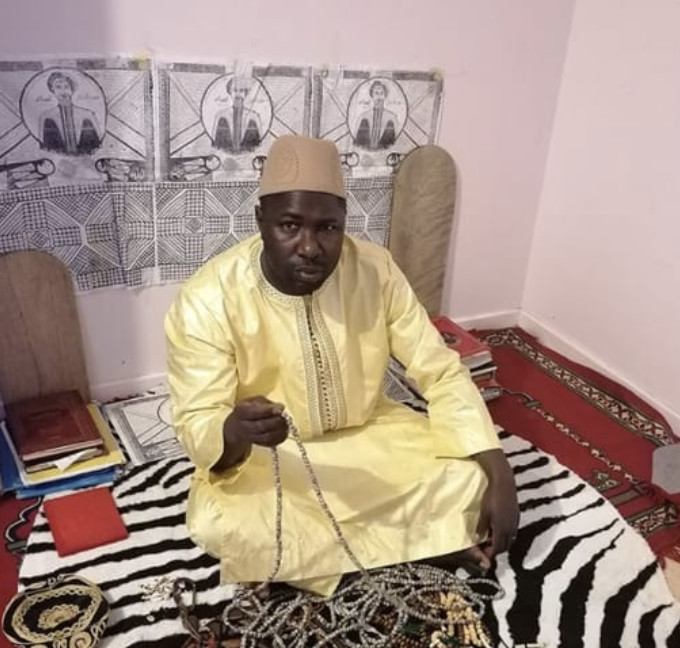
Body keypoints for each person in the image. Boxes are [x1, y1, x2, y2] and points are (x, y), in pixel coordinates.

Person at [165, 135, 518, 597]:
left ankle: (327, 562)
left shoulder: (376, 269)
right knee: (218, 523)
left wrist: (497, 466)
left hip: (373, 436)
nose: (310, 247)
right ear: (260, 221)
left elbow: (439, 368)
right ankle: (424, 545)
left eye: (328, 228)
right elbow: (197, 419)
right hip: (276, 460)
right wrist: (234, 430)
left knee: (469, 478)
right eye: (289, 225)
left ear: (344, 222)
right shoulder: (206, 298)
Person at [38, 71, 102, 155]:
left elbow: (98, 145)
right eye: (58, 87)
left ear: (72, 89)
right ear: (52, 90)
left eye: (66, 87)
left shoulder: (87, 114)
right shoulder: (46, 116)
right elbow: (43, 147)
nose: (63, 91)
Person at [211, 76, 263, 153]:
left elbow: (260, 144)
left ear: (246, 93)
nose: (238, 94)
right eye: (235, 90)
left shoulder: (254, 116)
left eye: (241, 91)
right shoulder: (221, 115)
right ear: (230, 92)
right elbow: (214, 144)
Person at [353, 80, 399, 150]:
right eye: (376, 93)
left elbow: (396, 142)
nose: (379, 96)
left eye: (382, 93)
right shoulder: (363, 116)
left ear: (385, 96)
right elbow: (356, 143)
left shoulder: (392, 117)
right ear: (372, 96)